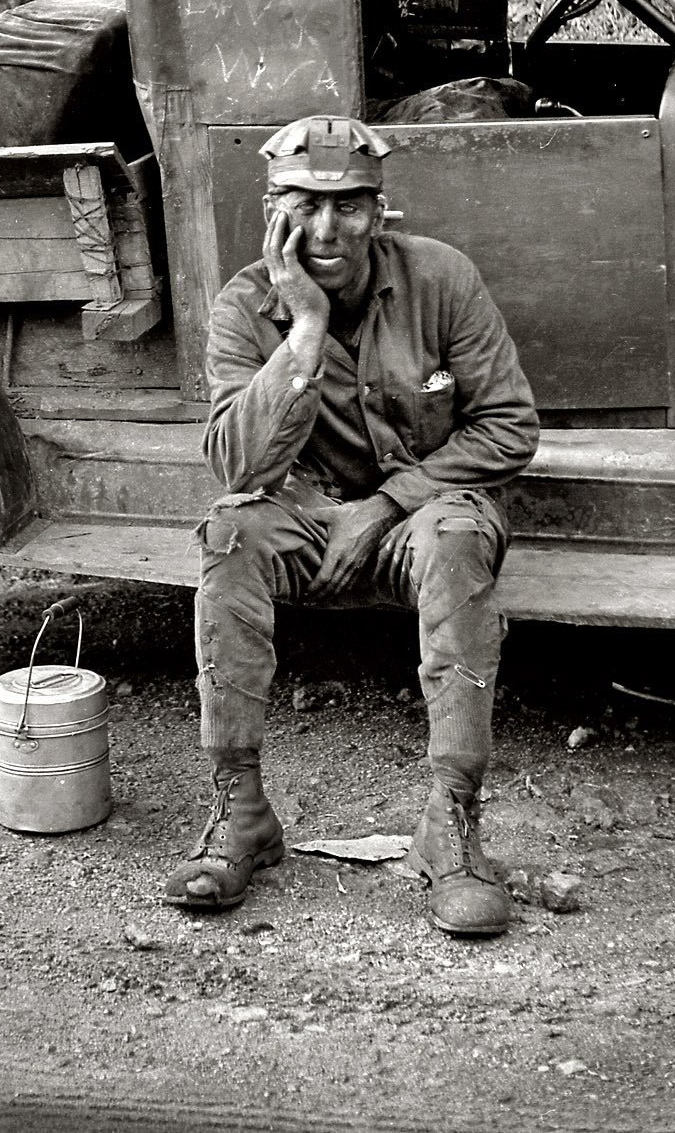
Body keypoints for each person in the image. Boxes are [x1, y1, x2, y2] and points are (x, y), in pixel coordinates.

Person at [162, 114, 540, 936]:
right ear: (272, 208)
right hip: (301, 509)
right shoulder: (244, 306)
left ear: (382, 210)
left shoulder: (441, 278)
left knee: (458, 540)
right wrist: (302, 329)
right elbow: (239, 466)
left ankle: (453, 830)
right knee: (229, 535)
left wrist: (387, 502)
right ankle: (241, 815)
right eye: (303, 205)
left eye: (350, 206)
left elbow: (509, 426)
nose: (326, 229)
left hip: (420, 512)